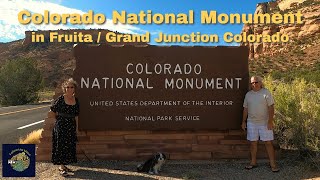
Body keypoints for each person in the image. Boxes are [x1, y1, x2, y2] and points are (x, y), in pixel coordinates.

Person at [241, 76, 279, 172]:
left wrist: (270, 121)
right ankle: (253, 162)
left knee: (268, 143)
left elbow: (271, 107)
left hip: (265, 123)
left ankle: (273, 164)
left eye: (256, 82)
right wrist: (243, 121)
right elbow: (245, 109)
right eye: (252, 83)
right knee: (253, 143)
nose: (254, 84)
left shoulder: (266, 93)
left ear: (261, 83)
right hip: (252, 122)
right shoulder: (248, 95)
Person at [49, 78, 80, 176]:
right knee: (61, 145)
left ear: (74, 88)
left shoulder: (76, 100)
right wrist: (56, 122)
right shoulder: (61, 99)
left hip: (71, 125)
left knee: (69, 145)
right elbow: (52, 111)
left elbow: (76, 116)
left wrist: (77, 128)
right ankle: (61, 167)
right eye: (67, 87)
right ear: (64, 88)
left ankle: (64, 165)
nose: (69, 89)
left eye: (71, 87)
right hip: (61, 125)